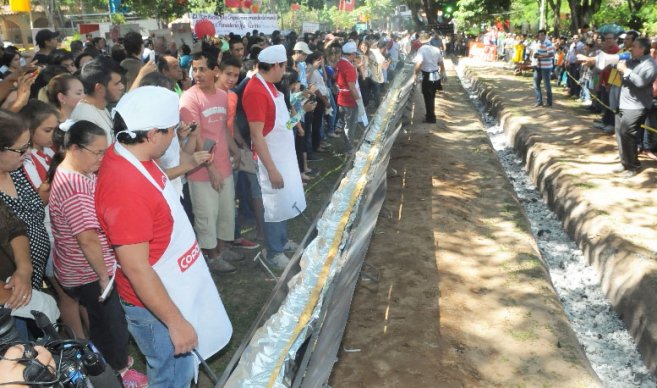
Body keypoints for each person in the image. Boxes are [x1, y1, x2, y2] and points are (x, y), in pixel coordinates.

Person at [95, 86, 232, 386]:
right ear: (153, 133)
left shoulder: (132, 155)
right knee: (171, 376)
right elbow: (136, 268)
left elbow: (154, 185)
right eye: (171, 131)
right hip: (152, 307)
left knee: (179, 372)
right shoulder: (124, 189)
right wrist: (175, 321)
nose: (174, 136)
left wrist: (186, 164)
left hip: (171, 285)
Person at [48, 120, 146, 385]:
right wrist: (104, 276)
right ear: (76, 148)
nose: (102, 159)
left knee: (102, 322)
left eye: (105, 151)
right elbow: (87, 239)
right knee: (110, 325)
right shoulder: (73, 186)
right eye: (97, 152)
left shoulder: (77, 172)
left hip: (83, 268)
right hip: (89, 272)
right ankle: (118, 374)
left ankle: (108, 364)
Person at [243, 45, 306, 268]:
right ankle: (274, 251)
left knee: (284, 199)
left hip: (283, 156)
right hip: (270, 158)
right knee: (273, 204)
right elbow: (257, 135)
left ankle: (281, 239)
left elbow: (280, 125)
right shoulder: (256, 91)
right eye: (284, 66)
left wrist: (298, 118)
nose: (285, 71)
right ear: (276, 66)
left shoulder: (271, 87)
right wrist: (271, 169)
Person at [180, 52, 242, 273]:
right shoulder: (189, 98)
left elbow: (224, 128)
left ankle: (223, 250)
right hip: (201, 171)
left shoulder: (222, 96)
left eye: (202, 69)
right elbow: (195, 138)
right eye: (194, 69)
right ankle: (213, 257)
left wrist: (236, 151)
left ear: (214, 70)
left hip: (224, 165)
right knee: (207, 215)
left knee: (226, 212)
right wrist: (211, 168)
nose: (197, 74)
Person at [0, 110, 49, 291]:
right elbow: (14, 228)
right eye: (21, 149)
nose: (27, 153)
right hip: (10, 283)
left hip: (33, 273)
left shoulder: (17, 170)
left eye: (28, 145)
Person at [613, 37, 657, 177]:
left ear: (642, 49)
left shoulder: (650, 65)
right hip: (623, 104)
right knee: (620, 133)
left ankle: (634, 166)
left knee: (628, 134)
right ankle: (625, 163)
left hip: (636, 106)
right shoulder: (632, 61)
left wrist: (626, 70)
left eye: (634, 46)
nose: (631, 48)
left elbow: (641, 82)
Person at [70, 57, 125, 143]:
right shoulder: (85, 117)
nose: (122, 87)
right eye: (117, 83)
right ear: (99, 88)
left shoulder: (100, 106)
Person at [336, 41, 363, 153]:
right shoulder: (348, 67)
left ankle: (348, 144)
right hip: (349, 100)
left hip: (341, 97)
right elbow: (352, 87)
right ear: (351, 54)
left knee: (345, 123)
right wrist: (359, 102)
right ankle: (349, 147)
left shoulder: (339, 63)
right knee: (350, 124)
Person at [414, 32, 447, 124]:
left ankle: (431, 117)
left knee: (428, 97)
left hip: (427, 76)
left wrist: (415, 74)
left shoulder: (421, 49)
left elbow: (419, 63)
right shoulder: (436, 49)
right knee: (432, 96)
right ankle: (431, 115)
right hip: (436, 76)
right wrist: (443, 72)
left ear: (421, 41)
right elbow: (441, 62)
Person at [530, 29, 554, 107]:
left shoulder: (548, 43)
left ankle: (549, 102)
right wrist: (535, 55)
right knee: (536, 83)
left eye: (542, 35)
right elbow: (536, 53)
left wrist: (540, 56)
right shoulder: (538, 43)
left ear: (545, 35)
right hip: (538, 65)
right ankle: (539, 101)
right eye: (540, 35)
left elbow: (551, 54)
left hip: (546, 67)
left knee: (547, 85)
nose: (541, 36)